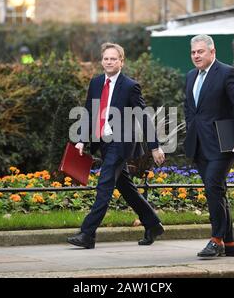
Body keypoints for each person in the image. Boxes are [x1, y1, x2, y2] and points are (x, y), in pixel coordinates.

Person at [67, 42, 165, 249]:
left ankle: (87, 234)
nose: (109, 61)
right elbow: (89, 113)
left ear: (121, 61)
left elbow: (143, 117)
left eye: (114, 58)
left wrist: (155, 147)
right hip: (104, 143)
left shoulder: (130, 86)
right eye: (106, 58)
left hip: (121, 144)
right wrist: (82, 140)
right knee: (125, 188)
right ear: (102, 61)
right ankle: (153, 224)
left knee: (104, 184)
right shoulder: (95, 83)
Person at [183, 35, 234, 258]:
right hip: (199, 144)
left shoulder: (227, 73)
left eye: (200, 52)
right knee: (217, 191)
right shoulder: (190, 76)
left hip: (224, 144)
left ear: (212, 52)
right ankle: (230, 243)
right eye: (193, 52)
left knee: (213, 186)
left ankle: (216, 240)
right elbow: (190, 109)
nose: (196, 56)